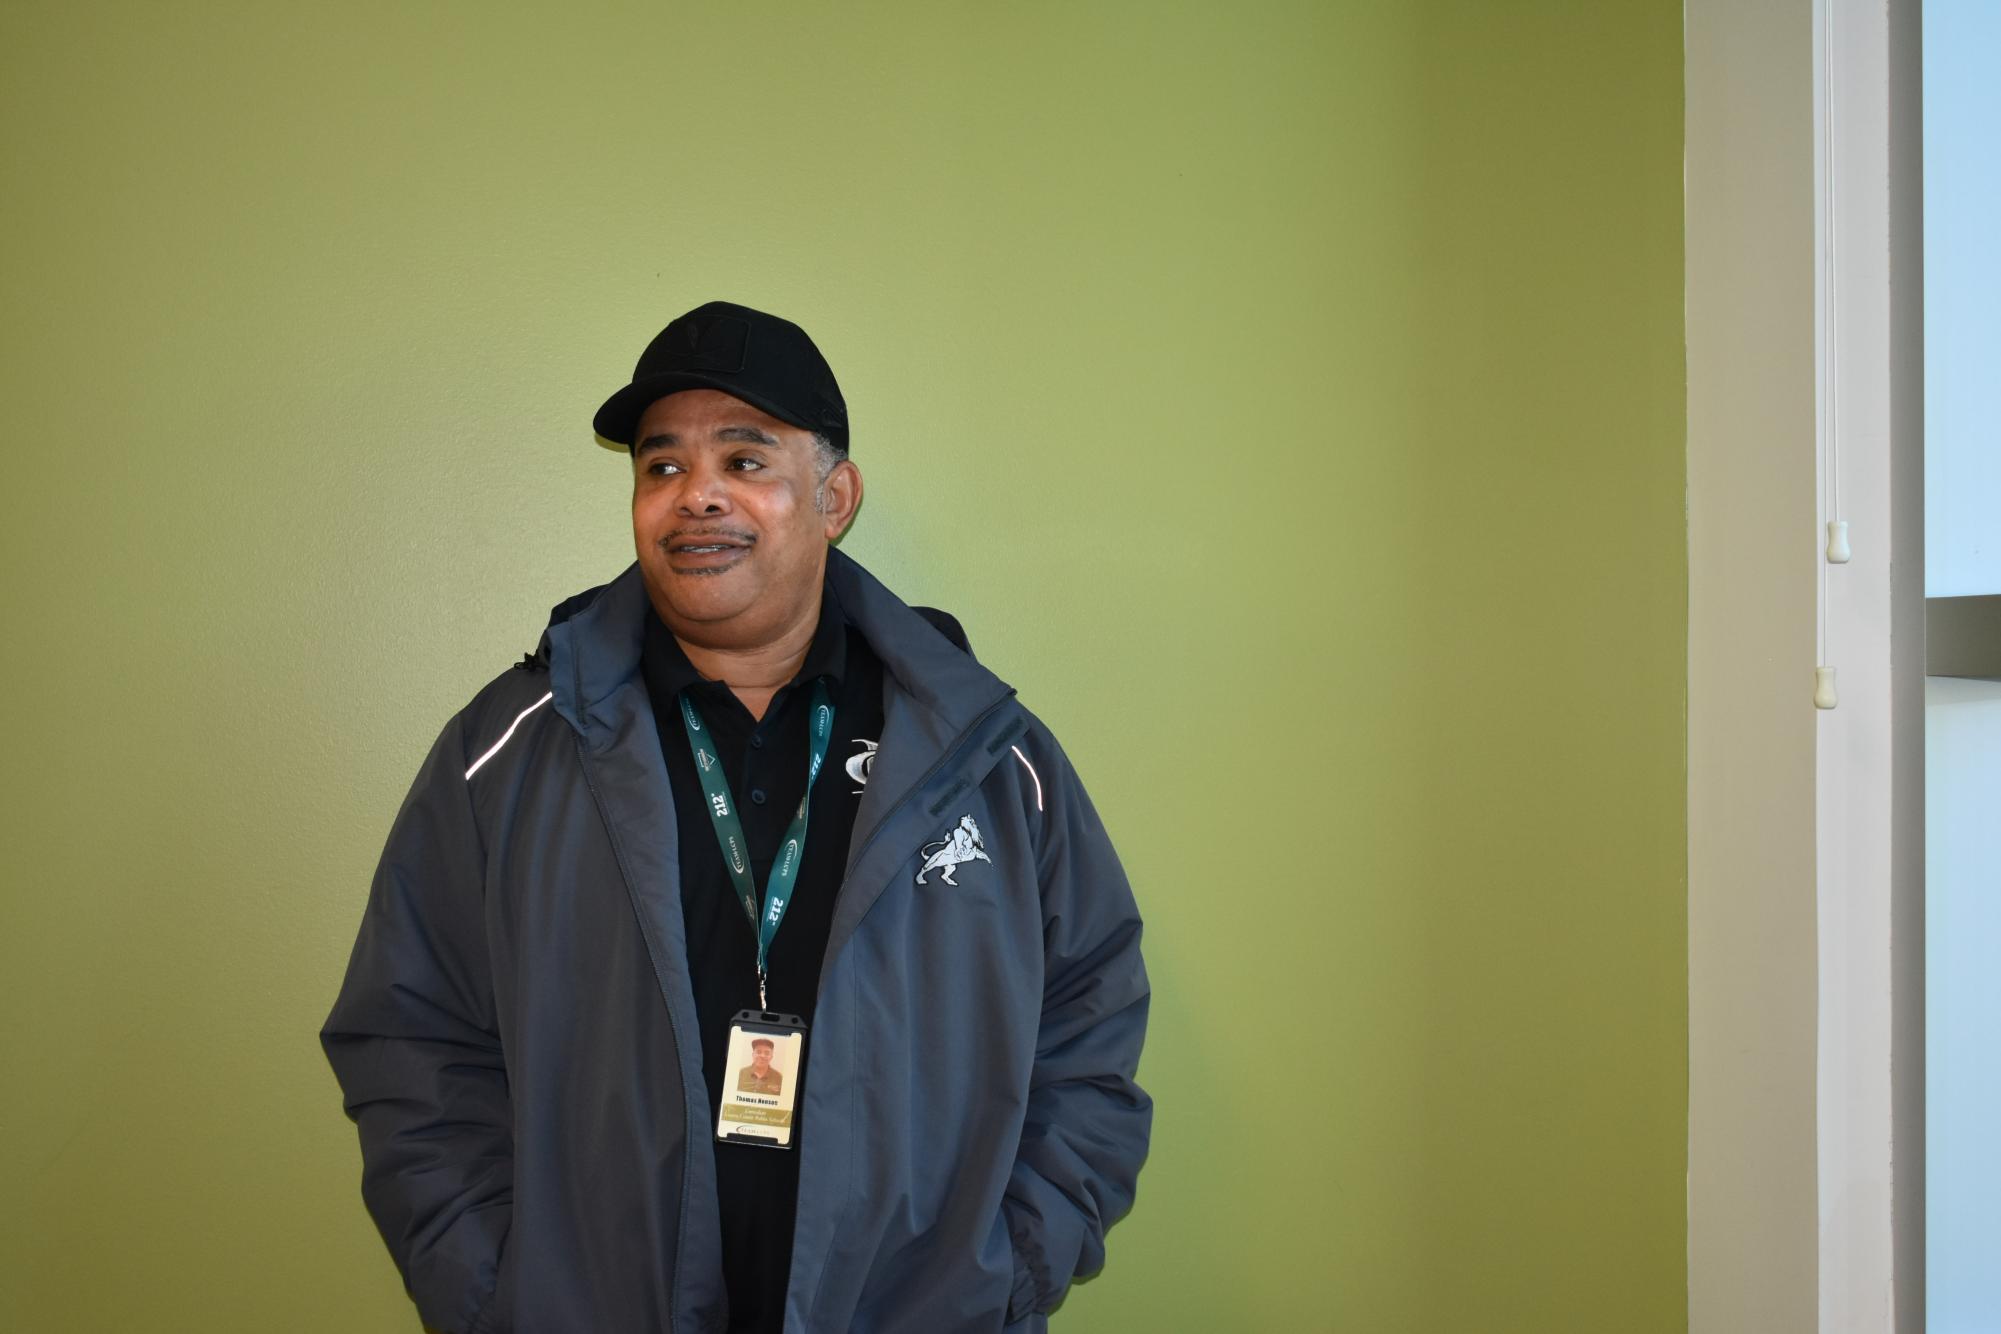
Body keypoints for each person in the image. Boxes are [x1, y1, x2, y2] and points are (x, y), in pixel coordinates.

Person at [321, 300, 1151, 1334]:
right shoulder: (511, 750)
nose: (696, 496)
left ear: (834, 495)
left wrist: (1012, 1270)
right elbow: (410, 1033)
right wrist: (495, 1291)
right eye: (661, 466)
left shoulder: (985, 754)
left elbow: (1091, 1014)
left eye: (746, 460)